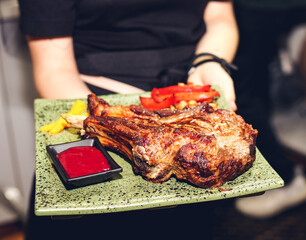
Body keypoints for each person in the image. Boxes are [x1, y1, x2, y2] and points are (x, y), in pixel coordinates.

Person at [18, 0, 238, 239]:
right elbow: (54, 68)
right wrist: (107, 123)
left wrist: (209, 62)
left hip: (188, 90)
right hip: (91, 98)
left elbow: (219, 16)